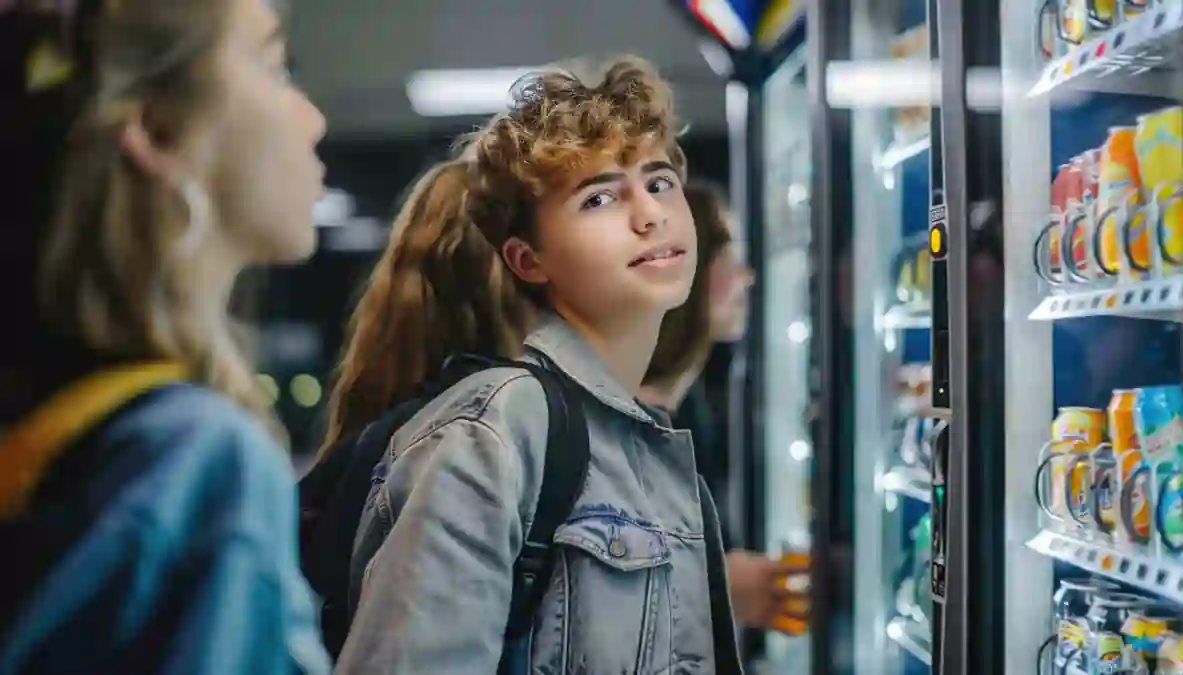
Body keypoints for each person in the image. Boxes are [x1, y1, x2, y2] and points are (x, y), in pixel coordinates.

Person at [325, 57, 742, 674]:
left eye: (658, 182)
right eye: (599, 196)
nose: (649, 214)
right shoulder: (494, 431)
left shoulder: (646, 443)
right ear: (527, 260)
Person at [0, 1, 330, 672]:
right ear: (156, 129)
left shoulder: (56, 435)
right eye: (275, 66)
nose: (314, 117)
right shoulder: (204, 464)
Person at [640, 182, 808, 632]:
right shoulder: (621, 425)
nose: (746, 276)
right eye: (728, 256)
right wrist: (716, 588)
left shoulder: (683, 409)